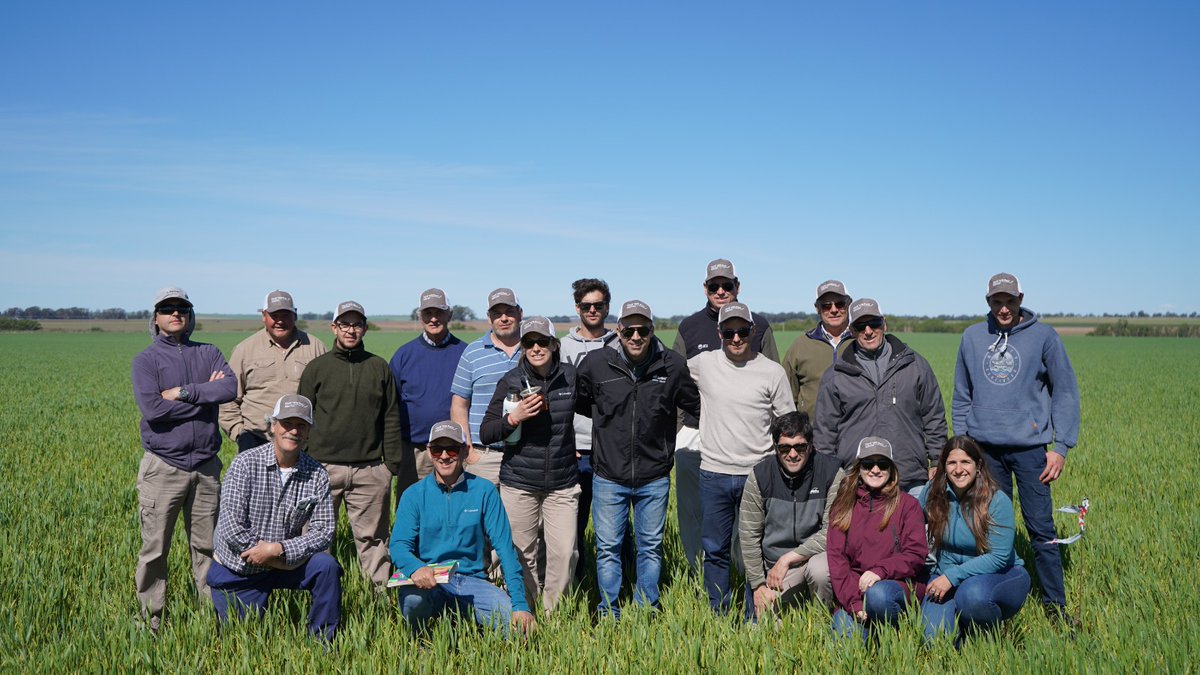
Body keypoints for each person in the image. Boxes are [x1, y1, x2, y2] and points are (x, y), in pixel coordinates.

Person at [952, 272, 1080, 626]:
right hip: (984, 450)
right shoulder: (972, 337)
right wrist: (963, 446)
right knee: (989, 528)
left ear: (1020, 299)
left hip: (1030, 450)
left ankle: (1055, 608)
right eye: (997, 301)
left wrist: (1060, 447)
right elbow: (962, 395)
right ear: (988, 302)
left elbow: (1065, 392)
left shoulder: (1044, 337)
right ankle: (994, 603)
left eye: (1010, 301)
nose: (1004, 308)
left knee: (1041, 528)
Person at [575, 300, 701, 618]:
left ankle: (647, 608)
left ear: (651, 330)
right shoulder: (596, 364)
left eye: (642, 330)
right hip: (608, 474)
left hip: (654, 475)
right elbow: (580, 402)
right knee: (607, 548)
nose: (635, 336)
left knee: (650, 547)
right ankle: (609, 610)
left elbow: (696, 406)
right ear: (618, 331)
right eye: (628, 330)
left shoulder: (671, 365)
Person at [130, 286, 236, 632]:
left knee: (208, 547)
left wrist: (183, 392)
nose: (175, 313)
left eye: (182, 308)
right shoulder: (146, 361)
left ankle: (213, 619)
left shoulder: (209, 352)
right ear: (155, 318)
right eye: (167, 308)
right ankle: (150, 623)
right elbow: (153, 409)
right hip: (163, 467)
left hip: (206, 467)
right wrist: (205, 396)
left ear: (190, 316)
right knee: (155, 549)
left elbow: (229, 388)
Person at [672, 258, 780, 570]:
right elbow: (675, 381)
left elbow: (773, 380)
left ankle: (742, 571)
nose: (721, 291)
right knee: (693, 509)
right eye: (714, 286)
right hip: (694, 432)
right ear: (705, 288)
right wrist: (675, 432)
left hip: (747, 435)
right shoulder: (689, 327)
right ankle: (698, 569)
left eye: (726, 285)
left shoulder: (759, 326)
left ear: (737, 286)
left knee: (747, 512)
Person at [208, 394, 342, 643]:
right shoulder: (245, 463)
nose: (294, 431)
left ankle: (322, 643)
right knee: (242, 641)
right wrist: (266, 554)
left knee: (326, 567)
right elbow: (231, 526)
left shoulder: (317, 474)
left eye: (301, 425)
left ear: (308, 432)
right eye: (287, 423)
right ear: (273, 426)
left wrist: (279, 550)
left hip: (284, 561)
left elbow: (324, 531)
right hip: (242, 568)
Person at [688, 301, 795, 613]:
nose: (736, 338)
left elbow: (788, 423)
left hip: (757, 474)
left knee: (756, 549)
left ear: (753, 331)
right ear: (719, 333)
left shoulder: (772, 372)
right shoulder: (703, 364)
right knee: (715, 549)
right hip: (714, 473)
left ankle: (755, 615)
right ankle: (719, 613)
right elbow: (666, 368)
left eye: (742, 331)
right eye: (729, 332)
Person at [298, 300, 409, 588]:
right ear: (334, 328)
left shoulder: (378, 367)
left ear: (365, 328)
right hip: (321, 469)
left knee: (374, 540)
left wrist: (390, 466)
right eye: (345, 324)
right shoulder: (317, 368)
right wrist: (305, 460)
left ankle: (378, 597)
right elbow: (302, 418)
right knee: (316, 539)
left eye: (357, 324)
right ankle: (318, 594)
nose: (351, 330)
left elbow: (391, 416)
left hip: (369, 470)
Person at [390, 420, 536, 636]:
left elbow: (505, 549)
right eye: (437, 449)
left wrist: (520, 604)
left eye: (452, 449)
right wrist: (416, 568)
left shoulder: (485, 491)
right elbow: (399, 545)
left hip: (472, 582)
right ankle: (420, 642)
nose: (444, 456)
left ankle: (466, 622)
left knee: (522, 630)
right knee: (413, 601)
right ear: (429, 452)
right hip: (429, 579)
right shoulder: (413, 494)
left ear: (465, 451)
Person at [479, 317, 579, 613]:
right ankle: (526, 613)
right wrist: (514, 417)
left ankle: (553, 615)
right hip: (519, 483)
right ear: (522, 347)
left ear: (554, 344)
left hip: (562, 483)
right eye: (529, 343)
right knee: (522, 554)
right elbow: (486, 431)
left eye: (542, 342)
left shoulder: (571, 377)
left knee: (565, 553)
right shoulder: (511, 380)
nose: (536, 348)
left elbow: (600, 408)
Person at [814, 298, 947, 498]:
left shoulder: (915, 366)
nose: (868, 331)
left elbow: (934, 416)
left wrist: (937, 460)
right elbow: (825, 432)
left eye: (874, 323)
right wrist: (830, 474)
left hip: (909, 478)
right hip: (856, 480)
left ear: (884, 324)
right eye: (860, 326)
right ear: (852, 330)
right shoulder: (836, 375)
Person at [920, 436, 1030, 642]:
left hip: (997, 575)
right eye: (952, 463)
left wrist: (952, 577)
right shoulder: (932, 493)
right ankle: (961, 633)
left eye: (965, 462)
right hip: (944, 574)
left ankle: (988, 638)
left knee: (972, 596)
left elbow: (998, 557)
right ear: (943, 466)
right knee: (934, 639)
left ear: (978, 466)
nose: (958, 469)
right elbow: (908, 522)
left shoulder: (997, 501)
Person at [739, 411, 843, 621]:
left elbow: (833, 532)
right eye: (785, 448)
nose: (793, 454)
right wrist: (758, 585)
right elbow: (749, 535)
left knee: (821, 570)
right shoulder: (759, 476)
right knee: (765, 627)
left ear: (810, 446)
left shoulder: (832, 473)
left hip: (814, 557)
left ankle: (821, 621)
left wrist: (787, 559)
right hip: (776, 569)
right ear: (775, 447)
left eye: (800, 447)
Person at [827, 437, 928, 642]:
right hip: (855, 590)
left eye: (882, 464)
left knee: (879, 595)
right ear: (859, 469)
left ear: (891, 469)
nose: (875, 470)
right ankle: (870, 632)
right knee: (845, 643)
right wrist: (854, 604)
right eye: (868, 464)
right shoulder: (843, 506)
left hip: (895, 585)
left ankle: (896, 635)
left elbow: (916, 554)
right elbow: (838, 562)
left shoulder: (908, 505)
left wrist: (880, 571)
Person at [221, 290, 328, 452]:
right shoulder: (245, 350)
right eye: (274, 315)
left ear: (295, 315)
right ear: (264, 316)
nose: (280, 321)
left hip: (302, 441)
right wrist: (240, 433)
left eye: (285, 315)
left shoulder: (315, 347)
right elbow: (227, 398)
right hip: (256, 438)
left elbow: (327, 397)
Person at [389, 288, 467, 483]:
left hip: (455, 450)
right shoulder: (404, 355)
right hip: (415, 451)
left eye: (439, 312)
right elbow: (391, 404)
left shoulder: (465, 354)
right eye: (427, 313)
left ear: (449, 314)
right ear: (420, 316)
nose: (433, 319)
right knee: (413, 500)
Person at [451, 288, 524, 486]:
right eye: (497, 314)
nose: (503, 318)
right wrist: (469, 451)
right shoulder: (472, 352)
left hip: (526, 455)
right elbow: (459, 404)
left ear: (520, 313)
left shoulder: (534, 349)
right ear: (489, 318)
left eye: (509, 312)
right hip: (484, 457)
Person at [781, 280, 853, 419]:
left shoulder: (862, 341)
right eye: (826, 305)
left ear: (849, 304)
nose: (833, 310)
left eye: (840, 304)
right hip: (811, 430)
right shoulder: (801, 345)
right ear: (817, 309)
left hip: (855, 430)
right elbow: (786, 397)